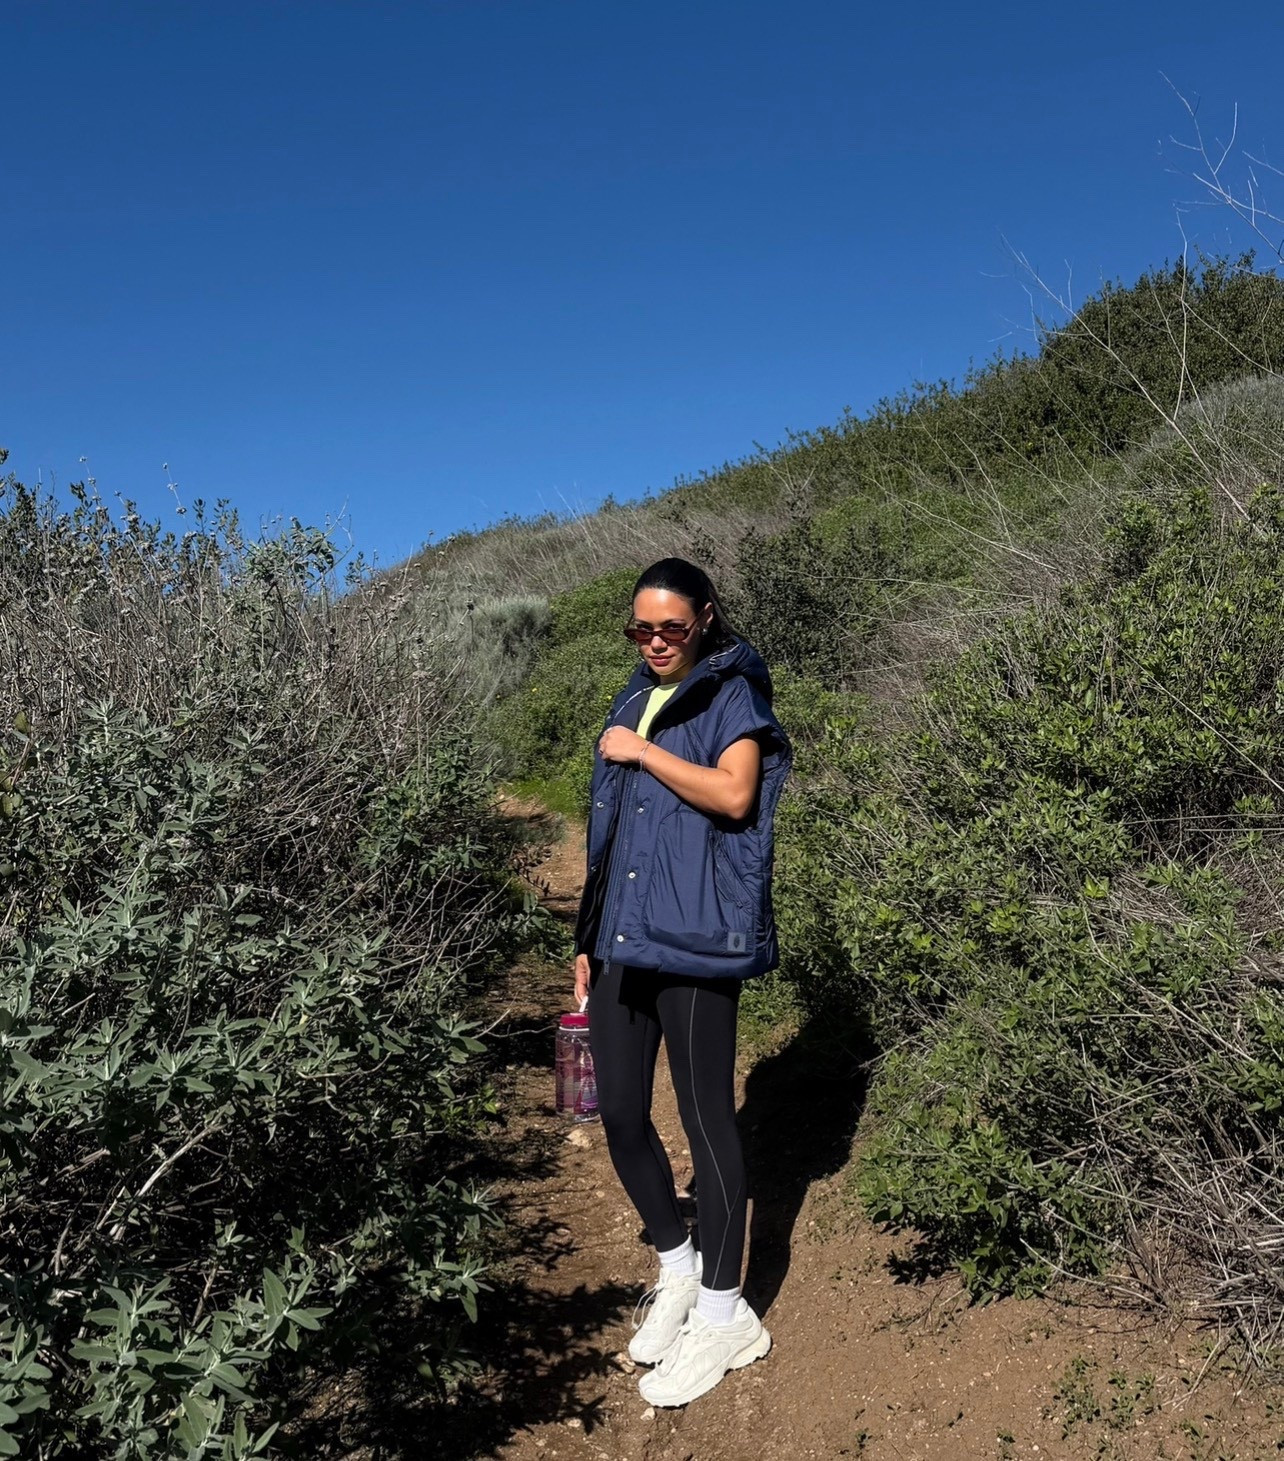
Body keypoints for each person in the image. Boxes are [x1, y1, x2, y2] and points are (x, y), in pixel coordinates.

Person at [572, 557, 792, 1408]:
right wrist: (586, 938)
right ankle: (678, 1267)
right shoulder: (632, 694)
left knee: (706, 1121)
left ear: (703, 616)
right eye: (642, 628)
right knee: (621, 1113)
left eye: (671, 626)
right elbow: (610, 831)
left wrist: (644, 751)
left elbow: (736, 796)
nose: (656, 641)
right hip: (621, 940)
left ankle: (727, 1314)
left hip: (695, 939)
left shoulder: (731, 691)